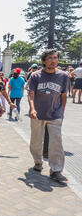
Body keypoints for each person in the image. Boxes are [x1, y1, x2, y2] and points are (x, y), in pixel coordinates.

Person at [26, 49, 69, 183]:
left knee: (56, 142)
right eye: (50, 58)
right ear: (44, 61)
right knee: (36, 141)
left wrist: (62, 112)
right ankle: (38, 162)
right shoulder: (35, 76)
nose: (53, 60)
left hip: (55, 113)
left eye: (55, 58)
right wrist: (32, 109)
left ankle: (56, 170)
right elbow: (31, 94)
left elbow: (63, 95)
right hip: (37, 114)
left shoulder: (63, 76)